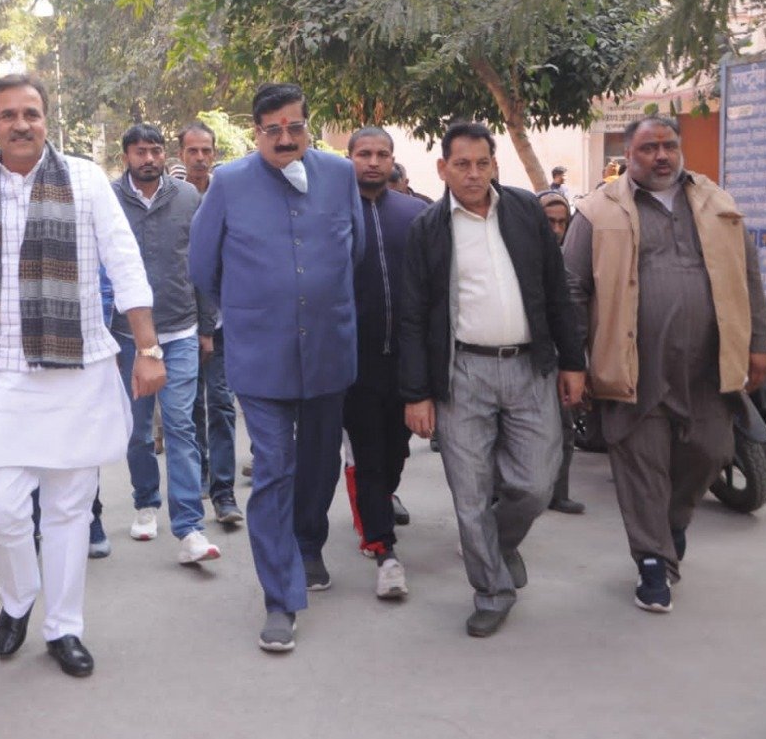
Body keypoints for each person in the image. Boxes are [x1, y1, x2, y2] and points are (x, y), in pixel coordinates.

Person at [0, 73, 163, 678]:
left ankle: (64, 626)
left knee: (68, 509)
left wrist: (149, 348)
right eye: (7, 114)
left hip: (74, 366)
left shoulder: (84, 179)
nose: (20, 124)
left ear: (46, 119)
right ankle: (19, 596)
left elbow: (124, 263)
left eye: (30, 112)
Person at [563, 115, 766, 612]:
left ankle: (671, 524)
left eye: (669, 146)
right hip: (633, 365)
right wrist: (573, 362)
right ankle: (653, 561)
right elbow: (571, 290)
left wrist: (758, 343)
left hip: (707, 365)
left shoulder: (717, 204)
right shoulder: (597, 211)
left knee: (711, 450)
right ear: (627, 156)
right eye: (649, 148)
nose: (661, 156)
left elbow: (748, 277)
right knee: (641, 461)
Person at [189, 82, 364, 652]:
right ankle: (280, 598)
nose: (285, 139)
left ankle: (308, 543)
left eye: (295, 127)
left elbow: (355, 249)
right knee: (273, 469)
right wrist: (254, 309)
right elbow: (202, 265)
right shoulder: (230, 183)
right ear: (256, 132)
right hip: (260, 355)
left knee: (320, 462)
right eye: (273, 130)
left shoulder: (339, 175)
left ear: (307, 125)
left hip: (329, 348)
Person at [398, 121, 585, 638]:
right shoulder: (428, 229)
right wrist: (417, 394)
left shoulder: (524, 211)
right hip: (462, 374)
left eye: (482, 163)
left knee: (536, 484)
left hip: (529, 367)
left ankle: (500, 543)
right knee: (470, 493)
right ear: (443, 169)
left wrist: (573, 361)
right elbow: (412, 318)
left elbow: (556, 291)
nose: (473, 174)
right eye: (462, 164)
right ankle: (491, 590)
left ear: (495, 165)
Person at [111, 123, 221, 563]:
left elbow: (202, 265)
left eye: (155, 150)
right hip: (127, 337)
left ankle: (190, 528)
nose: (149, 159)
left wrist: (207, 327)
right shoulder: (110, 200)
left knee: (180, 425)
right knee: (137, 430)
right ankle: (145, 503)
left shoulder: (188, 198)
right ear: (126, 156)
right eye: (140, 151)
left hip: (181, 331)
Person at [342, 126, 426, 599]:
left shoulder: (415, 215)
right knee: (369, 453)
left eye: (382, 154)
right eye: (364, 154)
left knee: (397, 450)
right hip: (354, 362)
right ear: (349, 158)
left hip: (408, 360)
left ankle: (381, 503)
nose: (373, 162)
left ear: (393, 160)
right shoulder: (332, 214)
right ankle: (383, 548)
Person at [178, 122, 242, 523]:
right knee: (190, 408)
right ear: (181, 155)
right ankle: (199, 475)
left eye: (206, 151)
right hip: (183, 325)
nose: (200, 158)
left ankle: (224, 492)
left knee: (220, 404)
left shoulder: (229, 195)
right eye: (193, 151)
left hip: (223, 323)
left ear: (214, 153)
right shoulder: (173, 200)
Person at [536, 190, 585, 515]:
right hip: (529, 360)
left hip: (563, 359)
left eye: (561, 222)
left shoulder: (573, 262)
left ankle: (559, 492)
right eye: (549, 222)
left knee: (565, 429)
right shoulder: (521, 256)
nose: (556, 229)